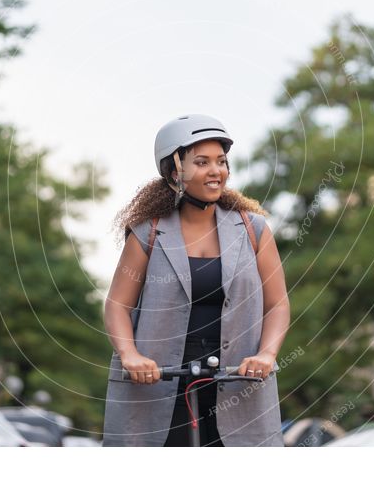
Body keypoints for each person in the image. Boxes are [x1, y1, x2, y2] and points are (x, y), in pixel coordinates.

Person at [102, 114, 290, 446]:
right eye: (202, 162)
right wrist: (130, 356)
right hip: (159, 380)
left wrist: (267, 355)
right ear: (175, 171)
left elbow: (276, 304)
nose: (216, 170)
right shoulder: (149, 234)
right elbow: (118, 305)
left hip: (236, 380)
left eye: (221, 161)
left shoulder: (253, 230)